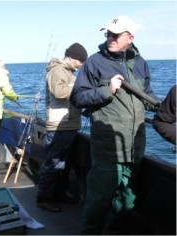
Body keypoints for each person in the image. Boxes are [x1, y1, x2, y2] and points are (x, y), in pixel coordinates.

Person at [70, 16, 160, 234]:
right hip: (107, 149)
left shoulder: (141, 64)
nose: (110, 38)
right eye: (107, 34)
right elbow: (77, 98)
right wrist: (106, 90)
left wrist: (165, 108)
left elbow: (147, 97)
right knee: (98, 201)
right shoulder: (94, 62)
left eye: (115, 34)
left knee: (127, 201)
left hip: (135, 148)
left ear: (130, 37)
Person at [36, 43, 88, 212]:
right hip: (59, 126)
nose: (81, 64)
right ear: (70, 57)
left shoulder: (68, 72)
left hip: (68, 125)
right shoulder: (57, 70)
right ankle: (43, 199)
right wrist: (81, 91)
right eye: (79, 60)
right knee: (53, 164)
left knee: (64, 164)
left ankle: (59, 194)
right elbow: (59, 92)